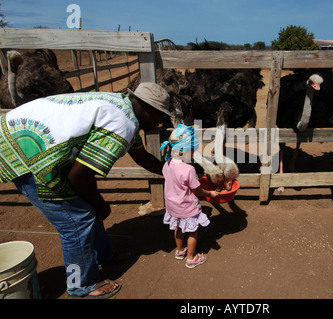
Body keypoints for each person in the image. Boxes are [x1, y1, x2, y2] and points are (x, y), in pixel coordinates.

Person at [0, 82, 172, 298]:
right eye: (160, 116)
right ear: (148, 109)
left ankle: (103, 255)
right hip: (26, 152)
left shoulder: (123, 108)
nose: (160, 122)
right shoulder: (122, 125)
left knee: (87, 207)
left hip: (27, 138)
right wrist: (100, 203)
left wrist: (174, 170)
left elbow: (141, 156)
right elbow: (78, 176)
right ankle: (80, 284)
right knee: (76, 220)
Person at [160, 124, 219, 268]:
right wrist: (209, 193)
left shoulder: (167, 163)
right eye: (192, 151)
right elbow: (197, 190)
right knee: (193, 232)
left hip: (172, 206)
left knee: (178, 228)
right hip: (186, 207)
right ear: (183, 152)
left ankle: (180, 251)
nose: (193, 154)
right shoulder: (188, 169)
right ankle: (191, 258)